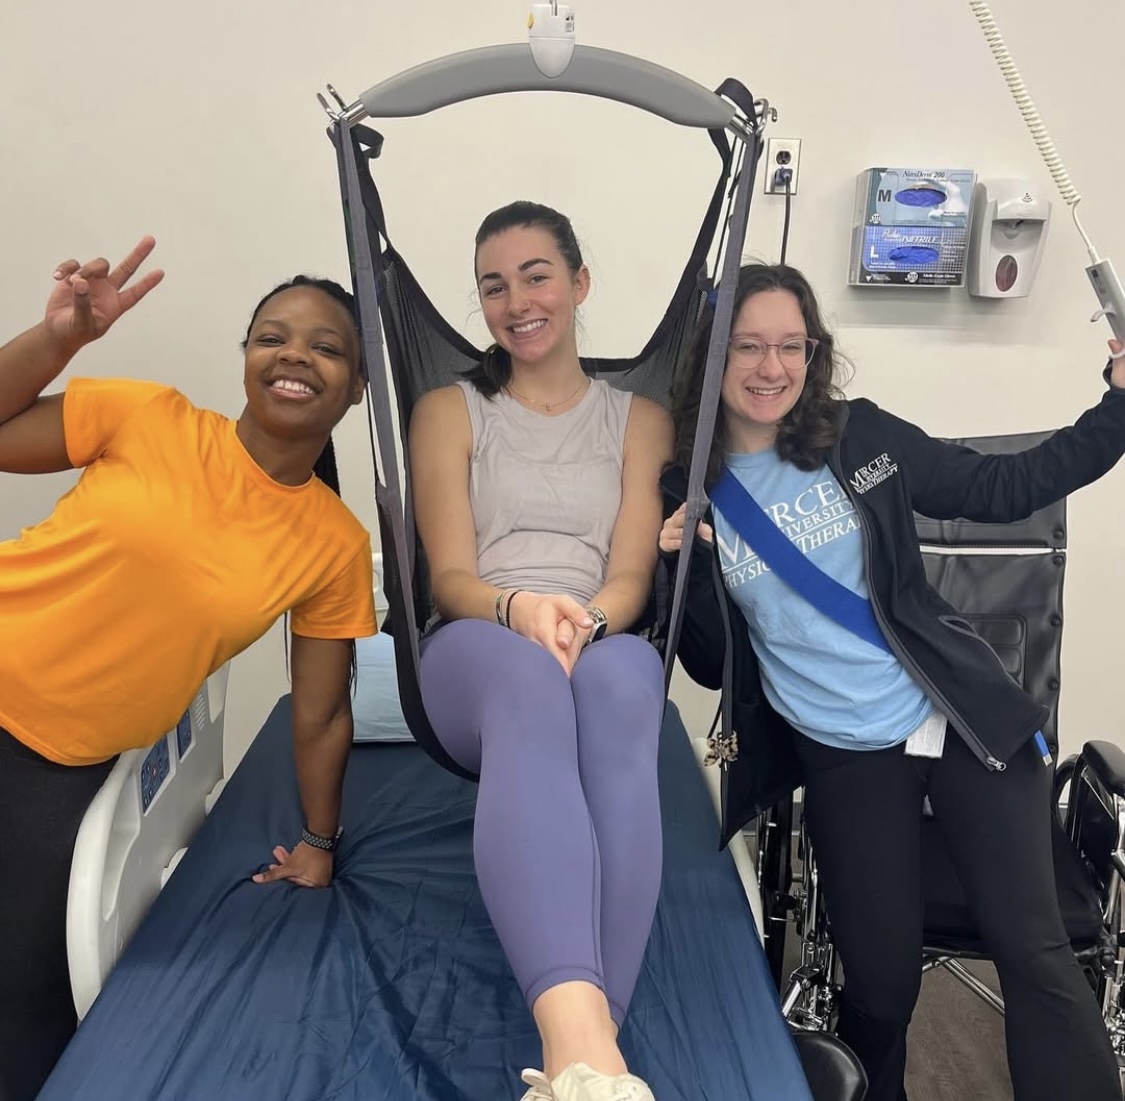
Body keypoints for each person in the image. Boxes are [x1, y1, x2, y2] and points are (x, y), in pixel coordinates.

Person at [658, 261, 1125, 1101]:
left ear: (813, 352)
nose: (771, 368)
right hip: (842, 752)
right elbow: (703, 661)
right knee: (879, 987)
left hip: (958, 715)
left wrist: (1119, 407)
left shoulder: (858, 435)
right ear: (711, 357)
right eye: (748, 347)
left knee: (1034, 949)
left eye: (790, 346)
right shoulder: (690, 484)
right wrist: (684, 567)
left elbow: (1001, 485)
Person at [0, 238, 378, 1101]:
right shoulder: (149, 416)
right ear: (245, 357)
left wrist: (320, 842)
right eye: (272, 337)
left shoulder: (331, 543)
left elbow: (318, 714)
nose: (293, 356)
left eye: (325, 347)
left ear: (356, 387)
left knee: (30, 1012)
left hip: (59, 767)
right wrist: (59, 340)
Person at [408, 201, 673, 1101]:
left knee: (627, 687)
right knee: (528, 680)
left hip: (599, 632)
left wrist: (587, 621)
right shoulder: (449, 410)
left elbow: (632, 572)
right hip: (481, 640)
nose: (516, 299)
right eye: (494, 284)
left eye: (535, 275)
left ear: (578, 284)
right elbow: (447, 575)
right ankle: (588, 1051)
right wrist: (521, 609)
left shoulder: (640, 419)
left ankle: (587, 1066)